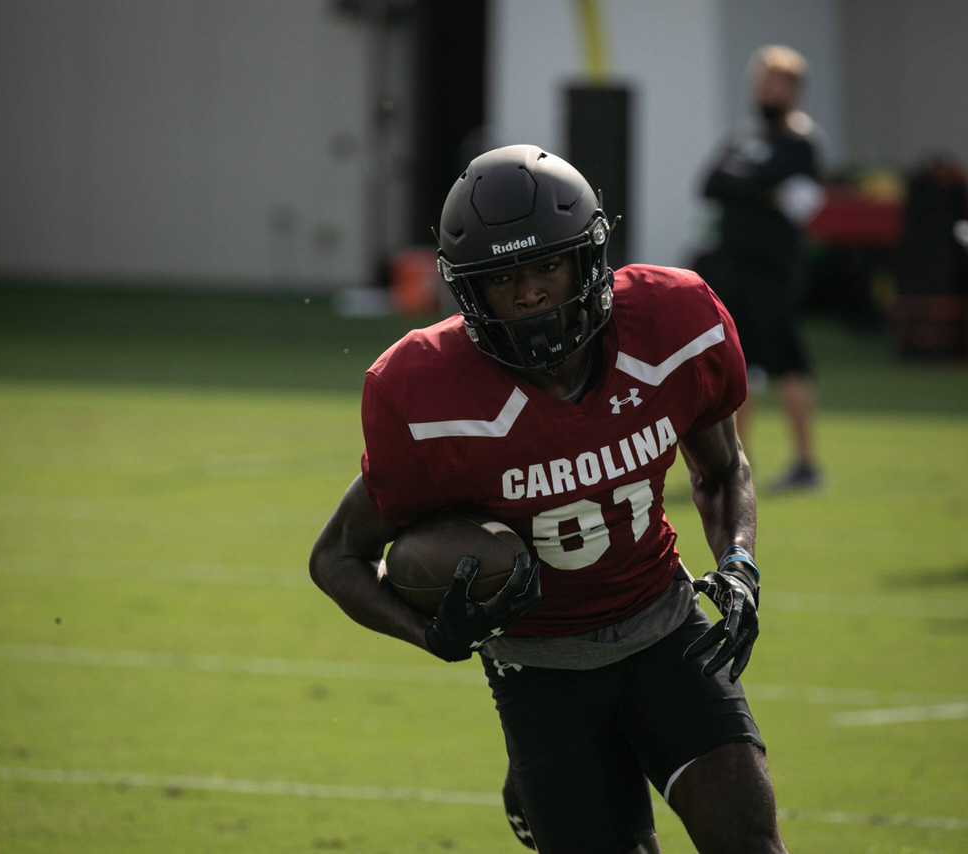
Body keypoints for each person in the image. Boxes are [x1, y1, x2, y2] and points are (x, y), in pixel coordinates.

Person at [310, 145, 788, 853]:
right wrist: (431, 634)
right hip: (539, 669)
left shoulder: (674, 318)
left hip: (664, 628)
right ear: (471, 290)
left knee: (751, 843)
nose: (531, 292)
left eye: (545, 266)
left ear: (588, 259)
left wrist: (739, 559)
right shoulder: (424, 389)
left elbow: (720, 471)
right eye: (504, 277)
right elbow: (338, 558)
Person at [698, 45, 825, 492]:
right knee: (735, 367)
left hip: (774, 270)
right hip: (732, 268)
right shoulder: (742, 136)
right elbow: (709, 182)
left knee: (787, 362)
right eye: (760, 79)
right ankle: (734, 463)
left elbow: (760, 184)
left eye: (773, 80)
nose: (763, 88)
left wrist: (748, 187)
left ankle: (807, 464)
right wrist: (757, 190)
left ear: (792, 88)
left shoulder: (801, 140)